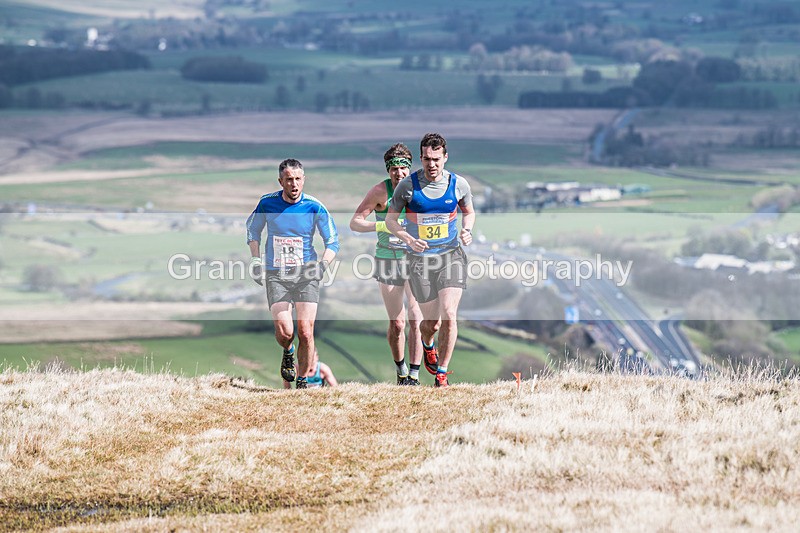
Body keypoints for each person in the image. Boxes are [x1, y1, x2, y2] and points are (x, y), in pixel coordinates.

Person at [386, 133, 475, 388]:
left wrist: (467, 229)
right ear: (421, 158)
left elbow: (469, 212)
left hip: (450, 255)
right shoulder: (408, 187)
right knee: (431, 324)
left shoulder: (459, 184)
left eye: (436, 159)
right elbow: (391, 221)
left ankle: (442, 374)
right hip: (419, 261)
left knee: (449, 314)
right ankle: (428, 344)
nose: (432, 165)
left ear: (445, 158)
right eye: (426, 159)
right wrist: (408, 239)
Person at [246, 158, 339, 390]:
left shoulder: (314, 206)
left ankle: (303, 381)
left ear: (304, 179)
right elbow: (252, 230)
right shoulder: (267, 203)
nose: (294, 184)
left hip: (306, 274)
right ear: (281, 181)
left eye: (298, 179)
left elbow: (333, 241)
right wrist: (256, 260)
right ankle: (287, 351)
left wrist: (322, 265)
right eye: (289, 180)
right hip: (276, 274)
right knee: (285, 331)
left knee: (306, 332)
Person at [349, 143, 426, 386]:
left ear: (409, 168)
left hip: (415, 259)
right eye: (394, 170)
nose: (399, 174)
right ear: (388, 170)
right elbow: (355, 222)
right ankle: (401, 368)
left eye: (403, 169)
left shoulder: (420, 188)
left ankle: (414, 376)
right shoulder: (380, 192)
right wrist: (381, 225)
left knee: (416, 318)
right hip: (388, 259)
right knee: (397, 323)